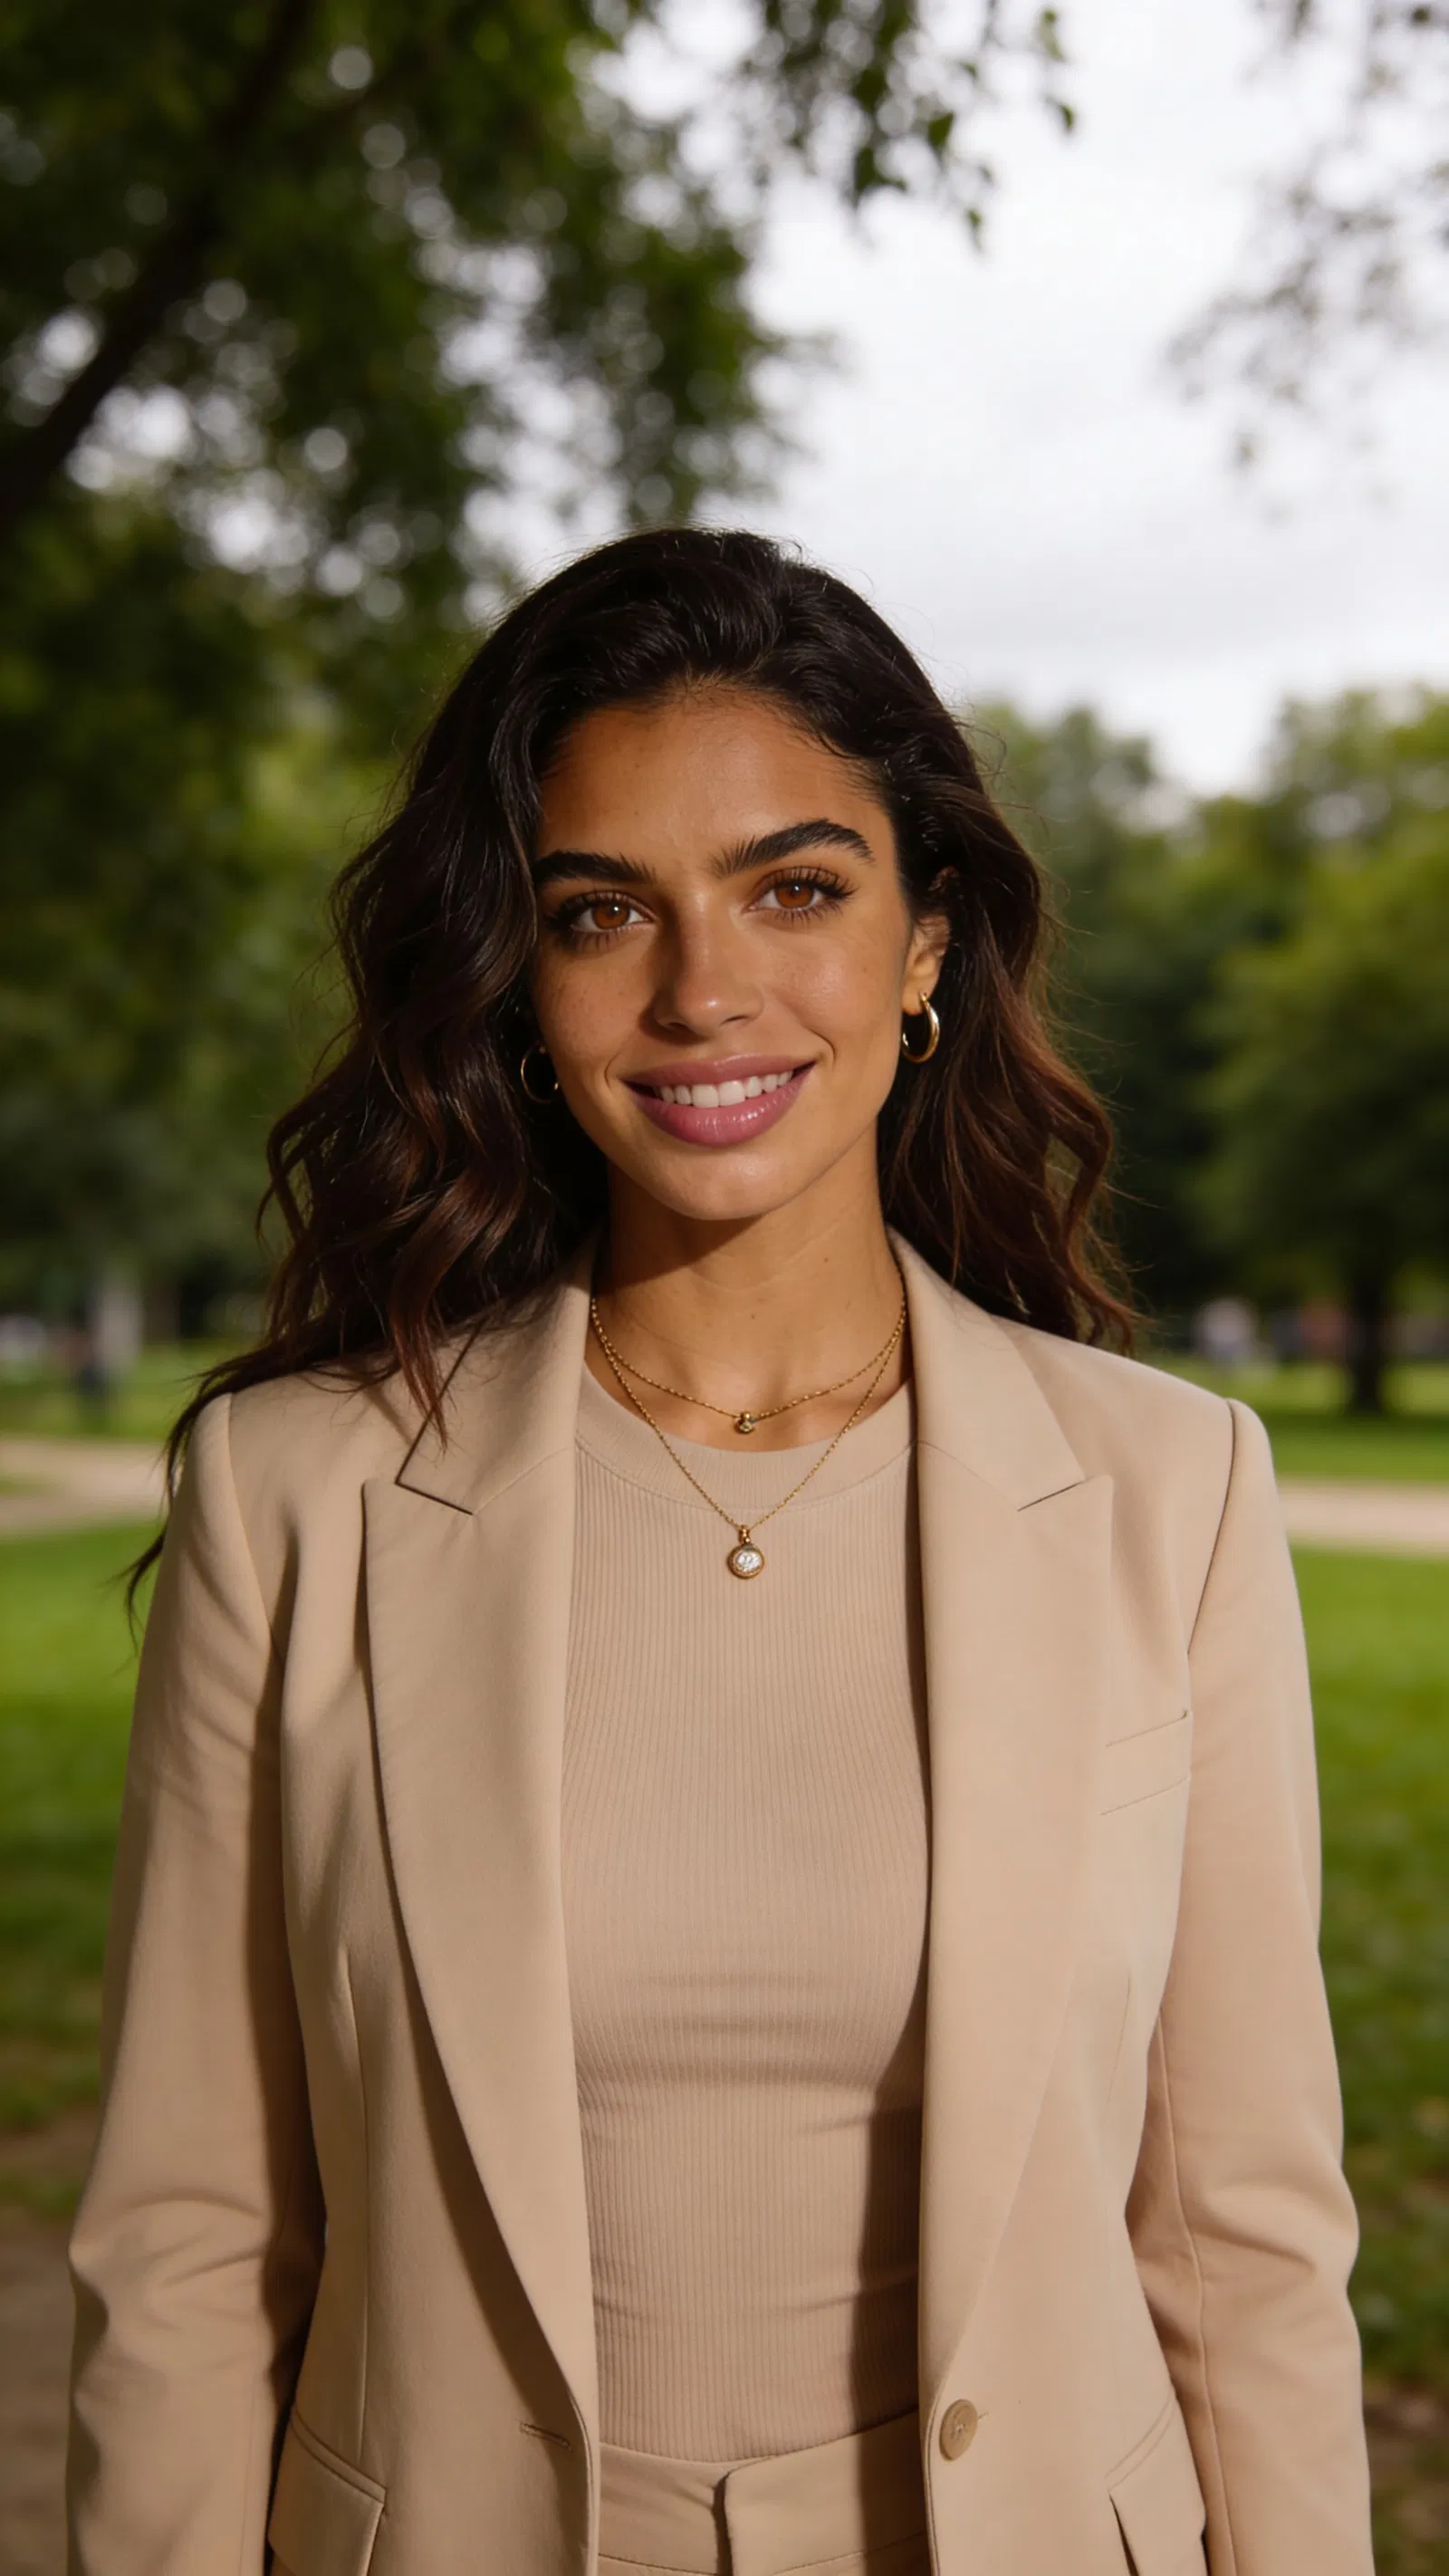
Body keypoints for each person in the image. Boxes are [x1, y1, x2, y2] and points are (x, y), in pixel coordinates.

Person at [66, 529, 1373, 2576]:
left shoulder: (1167, 1493)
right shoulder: (293, 1496)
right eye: (604, 912)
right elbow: (187, 2248)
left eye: (793, 888)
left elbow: (1242, 2243)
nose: (703, 991)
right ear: (514, 963)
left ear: (924, 941)